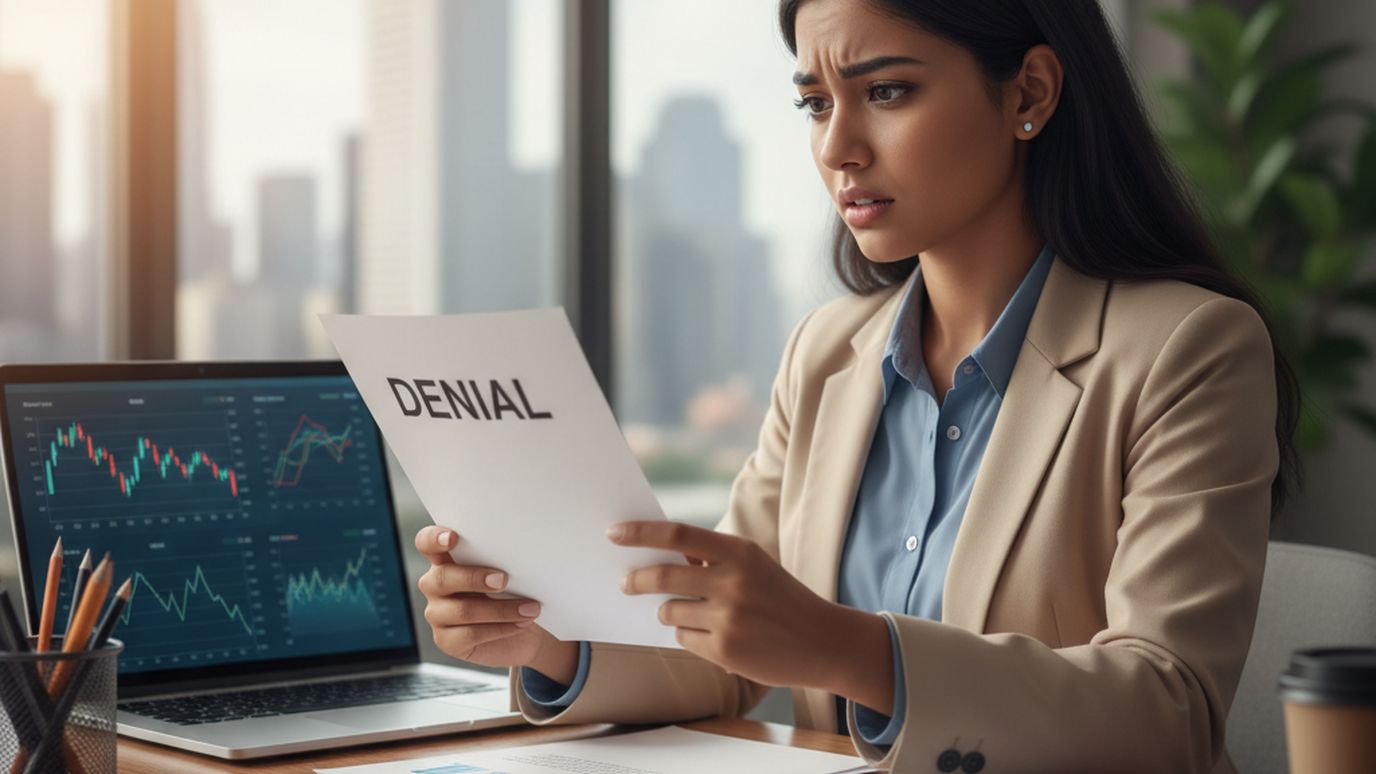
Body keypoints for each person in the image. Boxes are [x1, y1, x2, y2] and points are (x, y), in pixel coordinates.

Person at [414, 1, 1300, 770]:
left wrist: (850, 650)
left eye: (886, 91)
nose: (837, 146)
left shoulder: (1189, 348)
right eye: (813, 103)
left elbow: (1169, 709)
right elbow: (719, 650)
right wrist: (547, 637)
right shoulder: (826, 353)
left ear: (1028, 92)